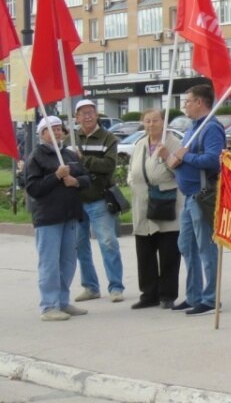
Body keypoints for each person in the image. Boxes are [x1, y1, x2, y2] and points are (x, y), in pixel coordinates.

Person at [158, 84, 226, 316]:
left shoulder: (211, 128)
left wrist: (186, 156)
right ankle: (194, 294)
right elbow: (181, 158)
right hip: (188, 197)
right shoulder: (192, 128)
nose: (184, 105)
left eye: (187, 101)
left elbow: (214, 160)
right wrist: (172, 157)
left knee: (205, 247)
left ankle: (211, 297)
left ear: (199, 102)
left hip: (202, 194)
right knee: (186, 245)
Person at [25, 116, 91, 321]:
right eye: (52, 129)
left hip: (70, 215)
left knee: (68, 262)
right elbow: (33, 188)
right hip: (48, 218)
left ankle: (62, 301)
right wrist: (55, 176)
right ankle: (48, 305)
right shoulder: (36, 157)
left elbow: (87, 178)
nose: (58, 132)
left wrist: (75, 181)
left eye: (59, 129)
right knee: (50, 263)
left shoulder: (69, 154)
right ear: (42, 133)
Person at [127, 109, 182, 310]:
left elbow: (179, 169)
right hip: (142, 203)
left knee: (168, 252)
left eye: (156, 120)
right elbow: (131, 171)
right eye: (147, 121)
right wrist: (133, 183)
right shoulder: (140, 144)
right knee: (145, 251)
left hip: (166, 203)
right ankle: (148, 293)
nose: (151, 125)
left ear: (163, 122)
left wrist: (166, 156)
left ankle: (167, 294)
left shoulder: (172, 142)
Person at [72, 99, 125, 304]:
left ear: (97, 115)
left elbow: (109, 166)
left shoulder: (107, 137)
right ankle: (90, 287)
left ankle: (116, 287)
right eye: (82, 113)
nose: (87, 116)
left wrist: (83, 160)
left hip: (99, 199)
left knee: (108, 243)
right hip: (77, 200)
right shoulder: (71, 138)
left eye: (90, 112)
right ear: (76, 117)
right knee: (79, 245)